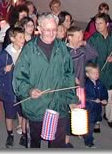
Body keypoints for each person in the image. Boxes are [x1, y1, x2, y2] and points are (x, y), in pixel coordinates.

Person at [13, 13, 78, 148]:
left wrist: (71, 100)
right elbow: (19, 77)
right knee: (34, 144)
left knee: (57, 144)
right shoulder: (29, 49)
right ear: (40, 29)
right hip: (36, 106)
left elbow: (69, 75)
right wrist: (29, 90)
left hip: (58, 104)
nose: (51, 33)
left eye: (54, 29)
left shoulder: (62, 49)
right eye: (48, 30)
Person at [88, 13, 112, 129]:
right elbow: (89, 58)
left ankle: (109, 117)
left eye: (100, 23)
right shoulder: (93, 39)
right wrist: (92, 72)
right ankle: (97, 120)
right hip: (98, 75)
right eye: (96, 23)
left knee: (110, 99)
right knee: (98, 100)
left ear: (107, 24)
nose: (97, 26)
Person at [0, 27, 28, 148]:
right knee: (9, 114)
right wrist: (4, 69)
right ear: (12, 38)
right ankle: (10, 134)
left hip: (23, 89)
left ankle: (24, 134)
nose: (23, 39)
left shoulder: (26, 52)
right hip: (9, 90)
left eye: (23, 37)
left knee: (24, 114)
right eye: (20, 37)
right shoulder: (4, 55)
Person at [64, 26, 98, 147]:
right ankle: (65, 141)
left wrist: (85, 43)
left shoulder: (81, 51)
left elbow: (94, 54)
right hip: (68, 89)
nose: (80, 39)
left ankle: (80, 134)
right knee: (68, 115)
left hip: (81, 88)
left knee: (80, 112)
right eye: (78, 37)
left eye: (81, 37)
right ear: (69, 37)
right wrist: (71, 78)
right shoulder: (64, 52)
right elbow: (60, 71)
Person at [83, 63, 108, 148]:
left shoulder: (100, 83)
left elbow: (104, 92)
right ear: (87, 74)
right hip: (89, 109)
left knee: (93, 124)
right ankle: (88, 142)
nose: (96, 75)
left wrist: (105, 99)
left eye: (97, 73)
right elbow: (83, 97)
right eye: (93, 73)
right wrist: (92, 99)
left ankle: (88, 136)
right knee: (89, 127)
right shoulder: (86, 84)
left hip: (97, 109)